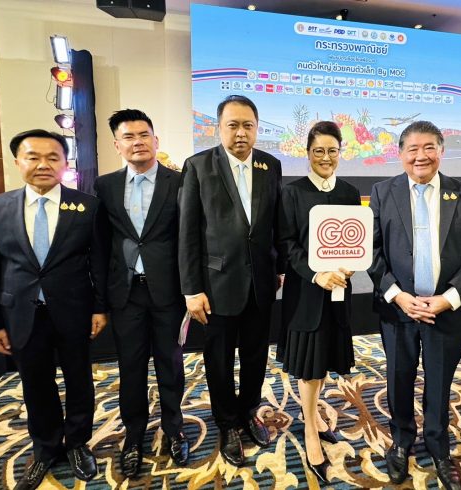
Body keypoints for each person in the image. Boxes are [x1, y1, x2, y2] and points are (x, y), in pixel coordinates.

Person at [0, 130, 107, 490]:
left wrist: (100, 307)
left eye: (53, 157)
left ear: (65, 163)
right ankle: (45, 447)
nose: (43, 164)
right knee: (35, 383)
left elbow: (98, 262)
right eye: (33, 157)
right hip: (20, 313)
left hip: (74, 311)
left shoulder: (87, 206)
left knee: (79, 379)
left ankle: (78, 443)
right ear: (18, 162)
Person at [367, 121, 461, 489]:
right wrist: (397, 295)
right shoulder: (382, 192)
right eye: (413, 149)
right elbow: (373, 252)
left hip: (446, 311)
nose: (421, 156)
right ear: (400, 154)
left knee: (439, 382)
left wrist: (447, 299)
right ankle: (401, 441)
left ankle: (439, 447)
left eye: (429, 148)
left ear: (441, 151)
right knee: (398, 378)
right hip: (398, 309)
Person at [178, 95, 283, 467]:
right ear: (218, 127)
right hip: (216, 283)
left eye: (248, 125)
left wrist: (280, 267)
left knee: (255, 355)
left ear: (257, 128)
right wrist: (191, 289)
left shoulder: (271, 165)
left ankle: (249, 411)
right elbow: (188, 233)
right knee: (219, 360)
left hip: (261, 282)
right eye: (233, 125)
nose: (241, 133)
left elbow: (275, 223)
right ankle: (226, 424)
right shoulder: (198, 166)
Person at [94, 109, 188, 478]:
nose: (138, 142)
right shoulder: (105, 186)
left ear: (156, 140)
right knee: (130, 367)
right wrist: (100, 299)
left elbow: (189, 239)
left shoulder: (179, 182)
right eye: (129, 137)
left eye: (144, 135)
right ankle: (133, 435)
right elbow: (101, 245)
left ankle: (174, 428)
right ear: (117, 145)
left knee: (171, 364)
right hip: (126, 293)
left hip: (168, 291)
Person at [277, 121, 361, 483]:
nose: (325, 157)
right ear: (307, 153)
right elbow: (287, 244)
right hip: (306, 292)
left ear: (341, 152)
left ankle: (310, 414)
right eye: (318, 151)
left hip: (338, 291)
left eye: (332, 151)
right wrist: (316, 274)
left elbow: (356, 239)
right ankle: (310, 428)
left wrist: (351, 263)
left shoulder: (350, 192)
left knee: (324, 359)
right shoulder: (292, 193)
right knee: (309, 366)